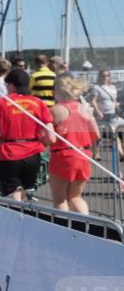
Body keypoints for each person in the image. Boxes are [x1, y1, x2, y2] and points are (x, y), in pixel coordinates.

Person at [0, 69, 54, 201]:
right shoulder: (39, 103)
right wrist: (40, 143)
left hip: (10, 152)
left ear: (11, 85)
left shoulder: (0, 102)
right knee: (27, 189)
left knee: (14, 190)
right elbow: (51, 137)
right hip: (33, 152)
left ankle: (18, 215)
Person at [49, 75, 101, 215]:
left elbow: (50, 139)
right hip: (83, 154)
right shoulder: (84, 109)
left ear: (58, 90)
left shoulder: (55, 110)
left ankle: (62, 227)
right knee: (75, 196)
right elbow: (96, 135)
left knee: (60, 199)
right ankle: (86, 225)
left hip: (63, 155)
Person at [88, 69, 124, 161]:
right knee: (99, 135)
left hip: (112, 114)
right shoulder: (97, 87)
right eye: (103, 75)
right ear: (99, 77)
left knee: (114, 134)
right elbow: (93, 101)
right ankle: (97, 153)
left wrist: (118, 110)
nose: (105, 77)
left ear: (110, 77)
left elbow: (114, 101)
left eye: (107, 75)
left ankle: (121, 153)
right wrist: (98, 111)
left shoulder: (113, 87)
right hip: (102, 114)